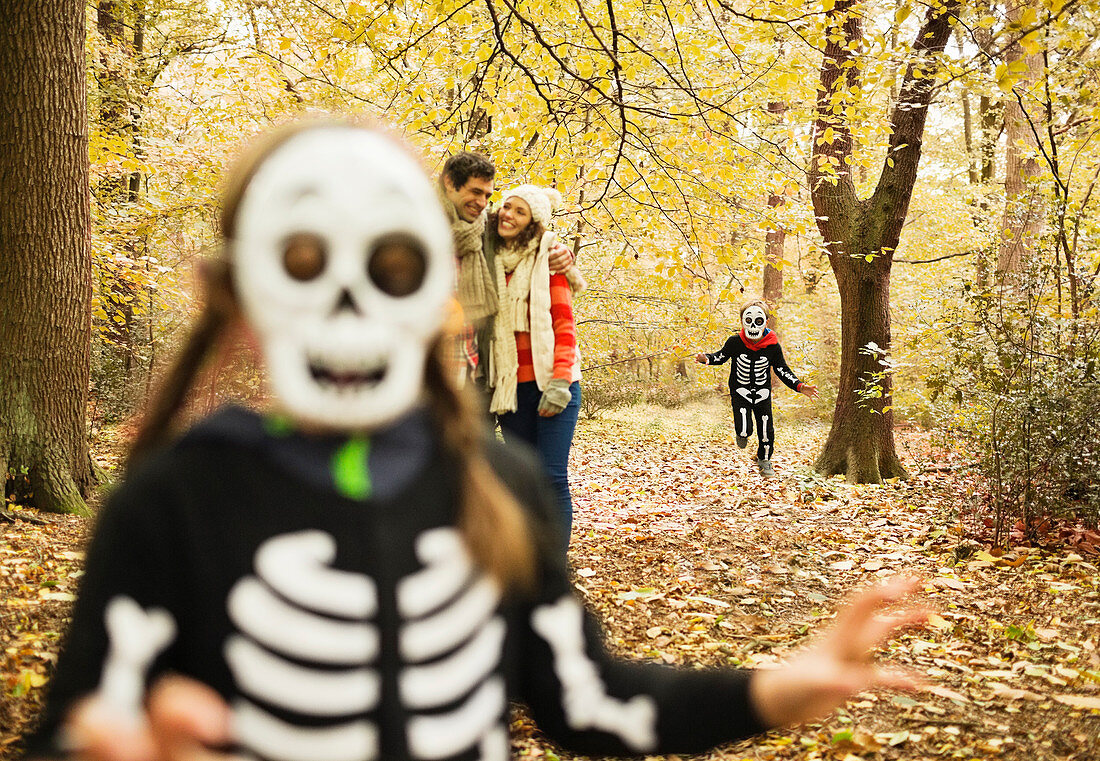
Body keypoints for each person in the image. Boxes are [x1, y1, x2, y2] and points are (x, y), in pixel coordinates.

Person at [22, 123, 928, 761]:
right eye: (301, 262)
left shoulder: (496, 486)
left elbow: (587, 700)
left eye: (390, 266)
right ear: (238, 298)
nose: (347, 303)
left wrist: (775, 689)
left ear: (436, 295)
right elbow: (78, 725)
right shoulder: (172, 502)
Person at [485, 185, 581, 548]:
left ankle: (553, 565)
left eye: (519, 211)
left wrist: (560, 380)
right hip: (510, 389)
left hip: (553, 384)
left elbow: (563, 324)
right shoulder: (487, 259)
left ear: (533, 223)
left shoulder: (549, 260)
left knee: (551, 476)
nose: (508, 214)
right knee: (521, 479)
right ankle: (528, 558)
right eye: (506, 206)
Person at [438, 152, 583, 388]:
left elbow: (530, 239)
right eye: (475, 192)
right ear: (449, 183)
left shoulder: (485, 230)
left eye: (487, 195)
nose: (483, 202)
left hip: (478, 374)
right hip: (430, 374)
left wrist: (561, 253)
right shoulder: (417, 228)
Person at [696, 299, 819, 477]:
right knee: (745, 429)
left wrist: (799, 386)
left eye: (759, 321)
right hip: (740, 390)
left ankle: (765, 459)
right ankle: (743, 433)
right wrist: (706, 358)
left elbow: (782, 369)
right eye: (749, 320)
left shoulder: (773, 346)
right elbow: (720, 356)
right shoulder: (734, 342)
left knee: (766, 429)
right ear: (742, 321)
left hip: (762, 393)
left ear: (766, 322)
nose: (754, 325)